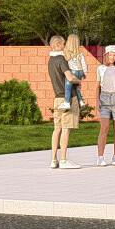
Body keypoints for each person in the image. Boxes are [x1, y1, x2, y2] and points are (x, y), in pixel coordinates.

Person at [46, 35, 82, 169]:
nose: (65, 46)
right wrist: (79, 81)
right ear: (57, 44)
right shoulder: (61, 59)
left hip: (57, 98)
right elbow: (70, 77)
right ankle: (64, 160)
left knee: (57, 129)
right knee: (66, 130)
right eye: (63, 44)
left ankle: (53, 159)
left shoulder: (51, 61)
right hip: (68, 98)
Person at [57, 36, 87, 111]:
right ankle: (81, 102)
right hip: (80, 71)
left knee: (68, 87)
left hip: (72, 71)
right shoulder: (79, 52)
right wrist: (85, 73)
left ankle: (66, 102)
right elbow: (83, 63)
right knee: (77, 88)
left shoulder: (66, 52)